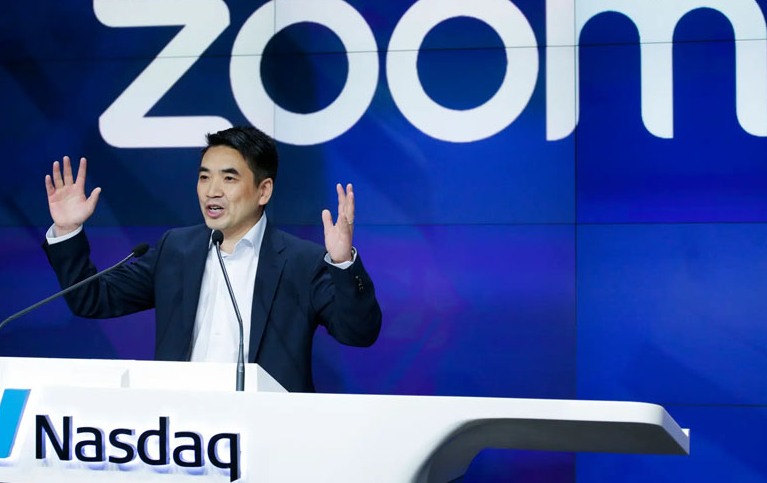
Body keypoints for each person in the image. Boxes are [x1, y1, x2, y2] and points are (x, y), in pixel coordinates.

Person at [42, 126, 382, 392]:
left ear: (263, 190)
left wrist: (343, 263)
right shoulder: (177, 249)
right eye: (204, 177)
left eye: (228, 178)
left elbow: (359, 333)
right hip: (182, 433)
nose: (212, 190)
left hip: (269, 431)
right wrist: (67, 230)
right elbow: (91, 298)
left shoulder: (300, 261)